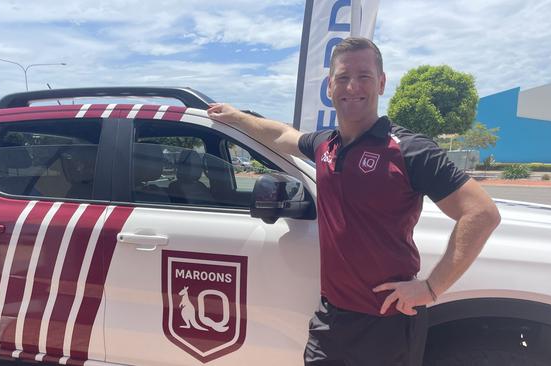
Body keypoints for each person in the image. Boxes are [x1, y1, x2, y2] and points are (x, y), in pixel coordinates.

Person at [208, 37, 500, 365]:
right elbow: (280, 135)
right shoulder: (325, 145)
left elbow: (482, 213)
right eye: (343, 77)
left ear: (382, 83)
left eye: (364, 76)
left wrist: (431, 288)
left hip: (389, 323)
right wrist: (235, 116)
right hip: (331, 321)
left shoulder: (409, 150)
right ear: (330, 86)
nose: (353, 86)